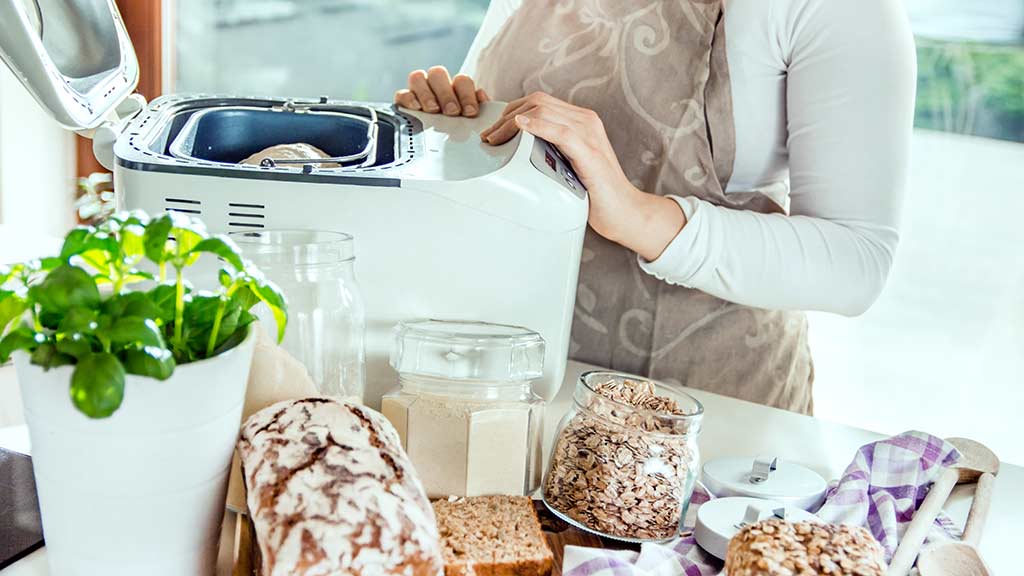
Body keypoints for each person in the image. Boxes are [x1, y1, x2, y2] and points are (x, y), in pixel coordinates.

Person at [395, 0, 916, 414]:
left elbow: (856, 262)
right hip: (508, 396)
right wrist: (450, 128)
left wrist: (636, 214)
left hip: (707, 422)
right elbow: (501, 164)